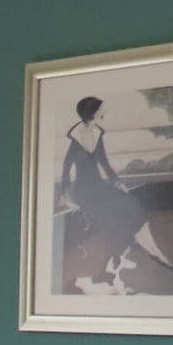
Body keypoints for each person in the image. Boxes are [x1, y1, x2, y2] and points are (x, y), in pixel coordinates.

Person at [57, 96, 146, 291]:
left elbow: (104, 163)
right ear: (92, 112)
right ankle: (110, 263)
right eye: (100, 109)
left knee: (132, 206)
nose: (103, 112)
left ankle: (115, 259)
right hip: (83, 190)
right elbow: (66, 168)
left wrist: (117, 183)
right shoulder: (76, 137)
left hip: (98, 185)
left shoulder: (97, 134)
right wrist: (66, 195)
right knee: (112, 220)